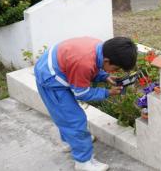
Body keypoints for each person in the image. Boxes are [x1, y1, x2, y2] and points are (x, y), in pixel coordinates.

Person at [34, 36, 137, 171]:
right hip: (51, 80)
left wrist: (105, 76)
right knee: (74, 119)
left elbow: (92, 68)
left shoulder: (99, 48)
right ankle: (83, 162)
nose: (114, 72)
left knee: (66, 116)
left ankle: (70, 142)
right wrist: (107, 92)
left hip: (55, 68)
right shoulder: (84, 62)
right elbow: (82, 93)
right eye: (115, 69)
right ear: (107, 60)